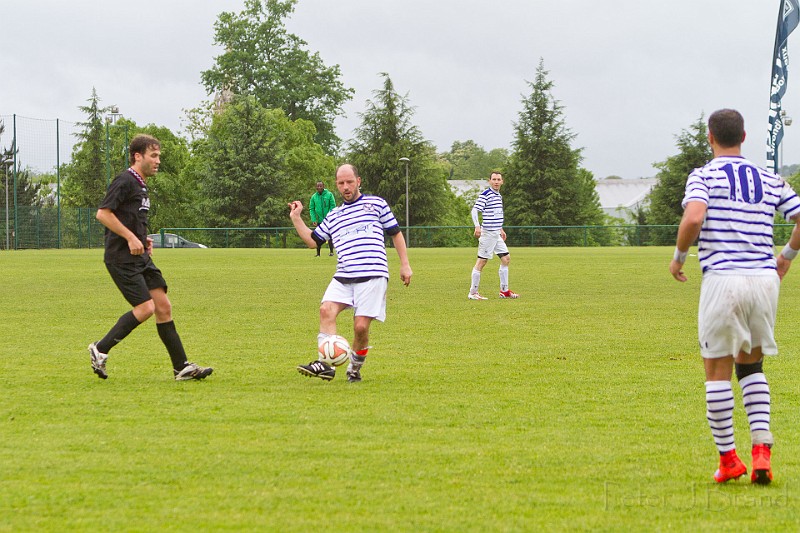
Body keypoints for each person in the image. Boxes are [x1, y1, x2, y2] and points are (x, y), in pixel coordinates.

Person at [670, 108, 800, 485]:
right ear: (744, 136)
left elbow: (694, 218)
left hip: (723, 279)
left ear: (710, 137)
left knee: (717, 372)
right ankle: (762, 450)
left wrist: (678, 257)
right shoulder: (768, 176)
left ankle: (729, 459)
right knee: (752, 364)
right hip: (764, 280)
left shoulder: (703, 175)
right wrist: (786, 257)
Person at [88, 134, 213, 381]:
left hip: (140, 257)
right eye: (153, 156)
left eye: (158, 156)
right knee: (146, 308)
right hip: (121, 257)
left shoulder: (141, 185)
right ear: (138, 156)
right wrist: (130, 238)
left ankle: (182, 368)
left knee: (163, 306)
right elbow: (103, 214)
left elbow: (131, 217)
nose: (157, 161)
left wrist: (142, 238)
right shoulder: (124, 180)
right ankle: (100, 349)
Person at [288, 164, 412, 382]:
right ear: (336, 185)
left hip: (373, 274)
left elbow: (396, 233)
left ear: (358, 181)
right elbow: (312, 241)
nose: (345, 187)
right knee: (326, 310)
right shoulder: (334, 216)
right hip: (344, 275)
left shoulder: (376, 204)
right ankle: (324, 364)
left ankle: (354, 368)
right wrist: (296, 217)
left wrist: (405, 264)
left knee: (361, 327)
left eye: (349, 182)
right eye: (341, 183)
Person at [468, 171, 519, 300]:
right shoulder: (486, 194)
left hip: (496, 233)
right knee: (482, 261)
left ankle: (504, 291)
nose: (496, 182)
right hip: (488, 234)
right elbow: (475, 210)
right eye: (494, 179)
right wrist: (477, 226)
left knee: (506, 259)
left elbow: (496, 214)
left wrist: (501, 229)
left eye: (498, 179)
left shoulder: (498, 196)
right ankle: (473, 293)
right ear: (489, 181)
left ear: (502, 181)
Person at [309, 180, 336, 256]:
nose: (319, 187)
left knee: (330, 235)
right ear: (316, 187)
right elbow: (311, 208)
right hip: (319, 220)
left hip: (328, 220)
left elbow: (333, 206)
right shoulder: (314, 197)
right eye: (318, 186)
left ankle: (331, 252)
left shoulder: (329, 195)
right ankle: (318, 254)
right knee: (318, 236)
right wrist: (314, 219)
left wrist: (330, 216)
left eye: (321, 186)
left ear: (323, 186)